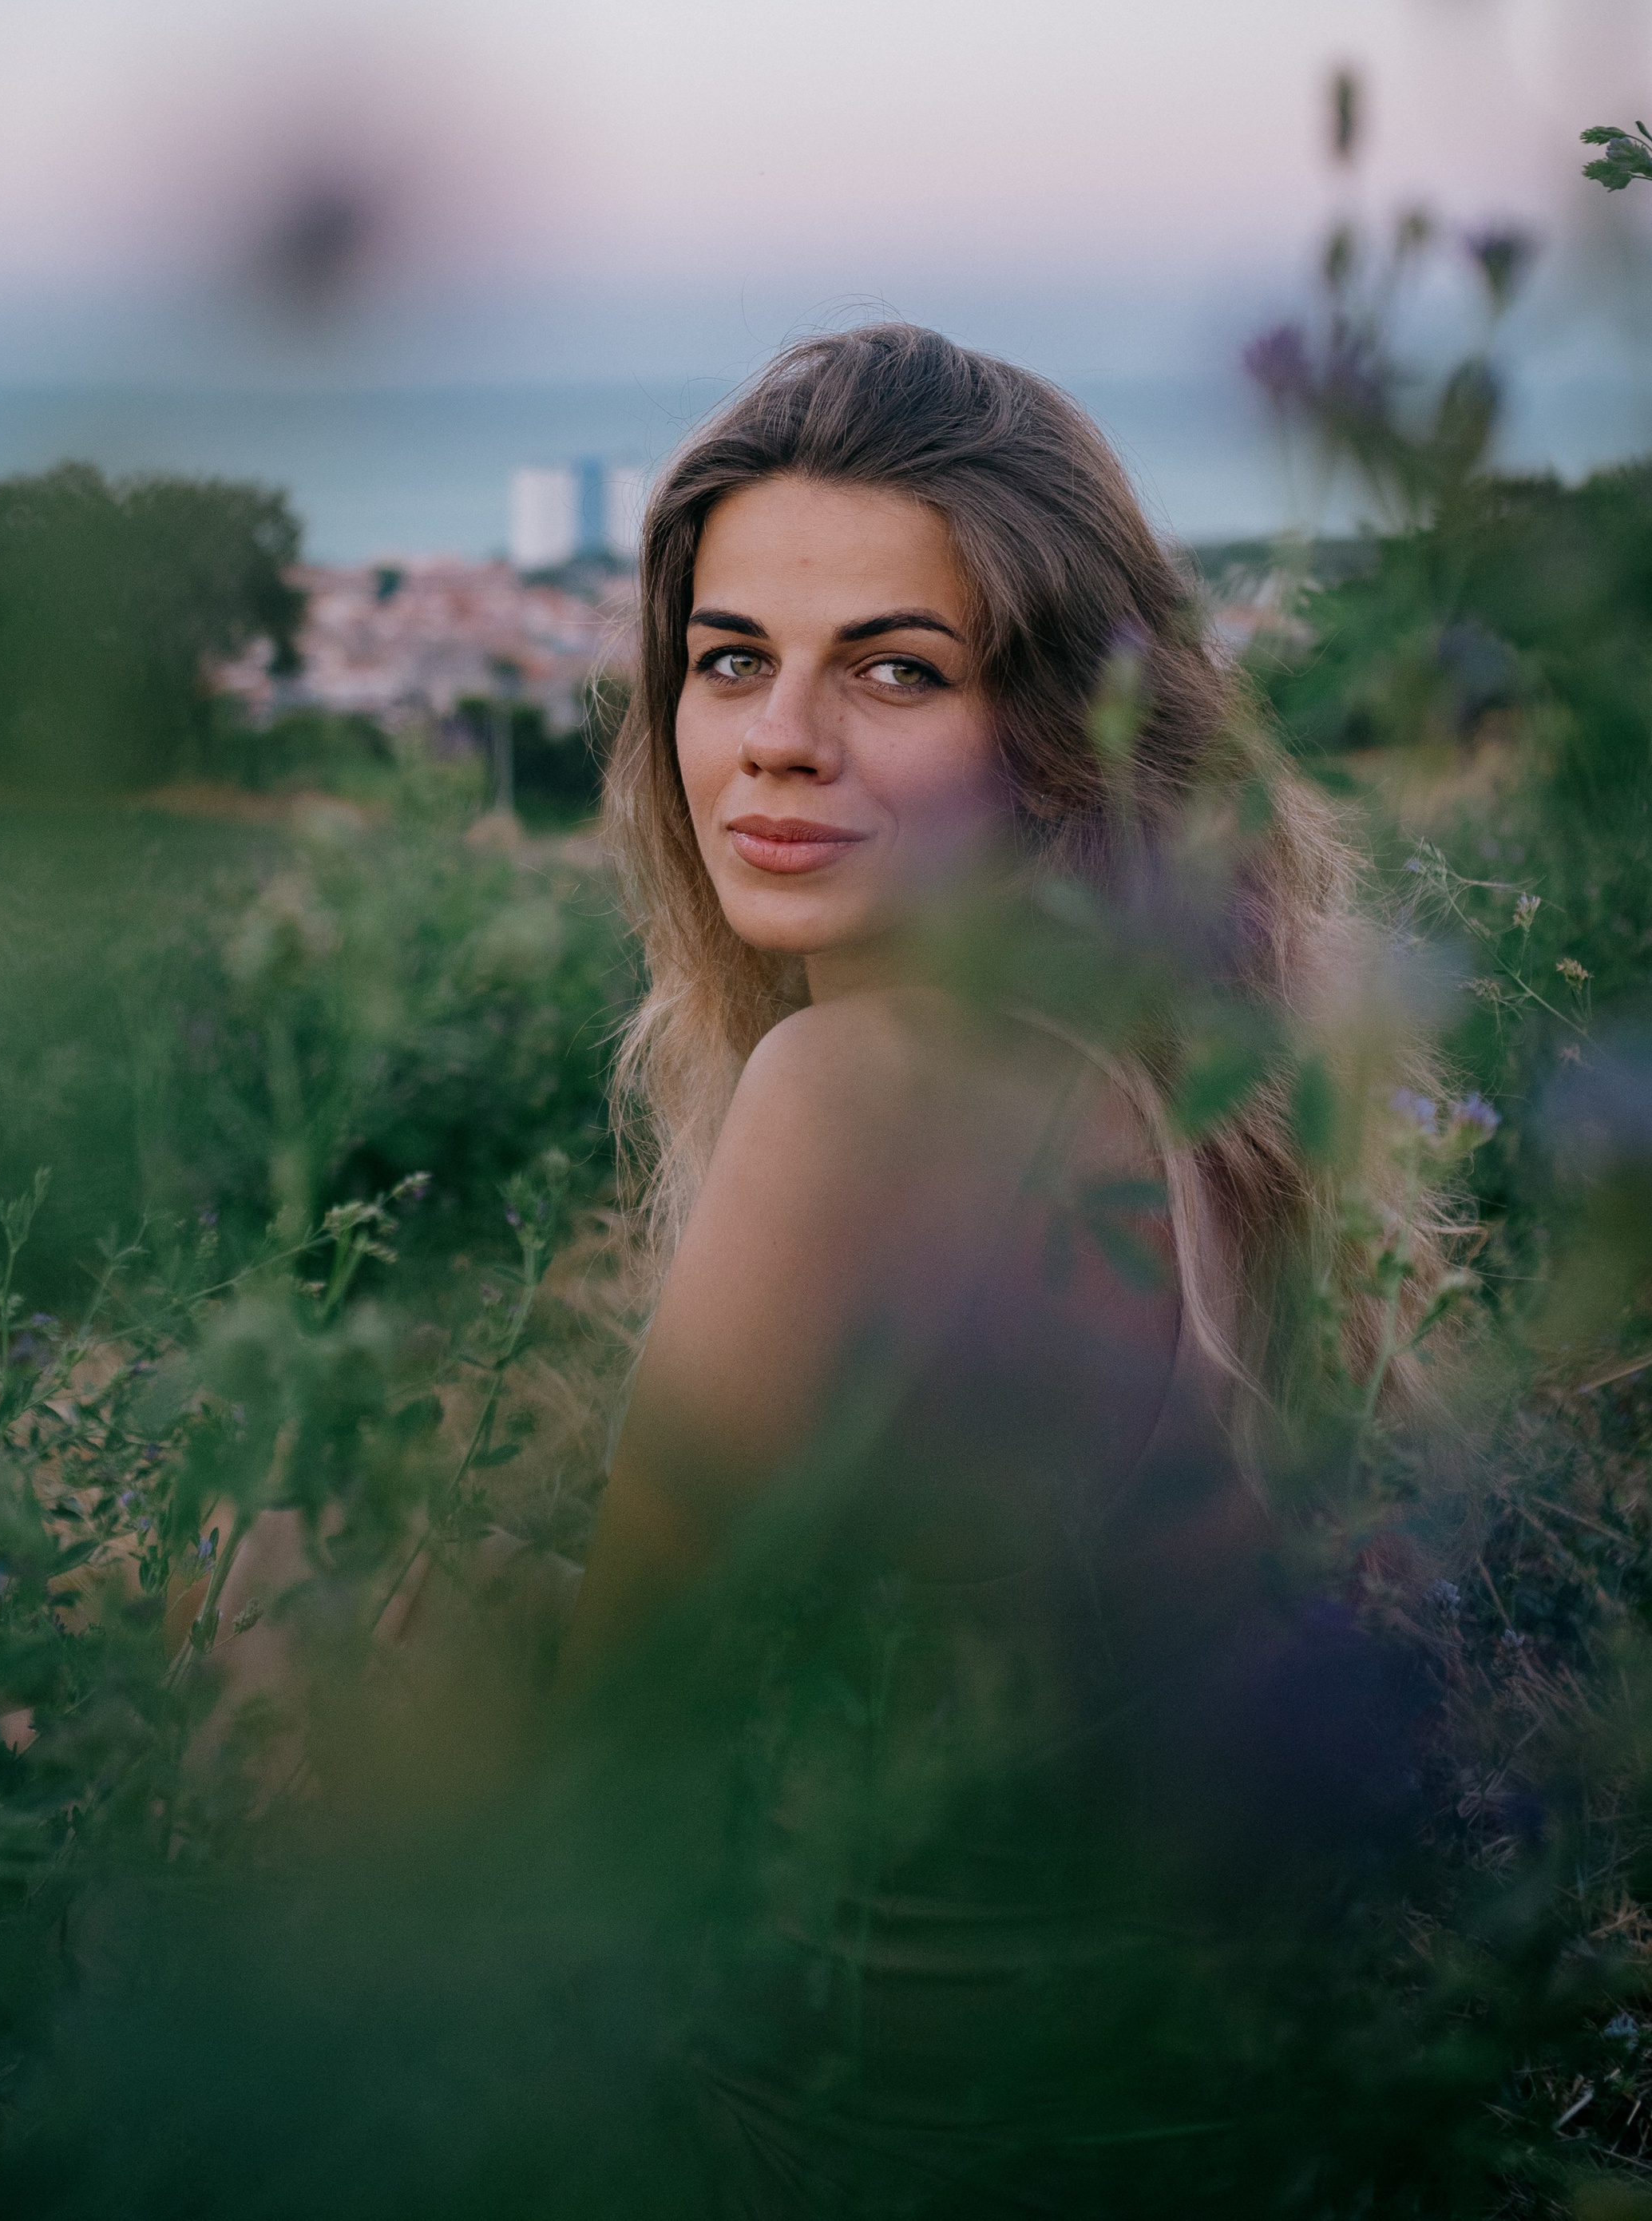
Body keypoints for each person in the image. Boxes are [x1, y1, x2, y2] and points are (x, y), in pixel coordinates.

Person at [558, 324, 1452, 2214]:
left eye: (894, 668)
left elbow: (596, 1784)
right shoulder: (1159, 1080)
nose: (779, 735)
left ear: (1048, 731)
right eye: (731, 660)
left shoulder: (861, 1086)